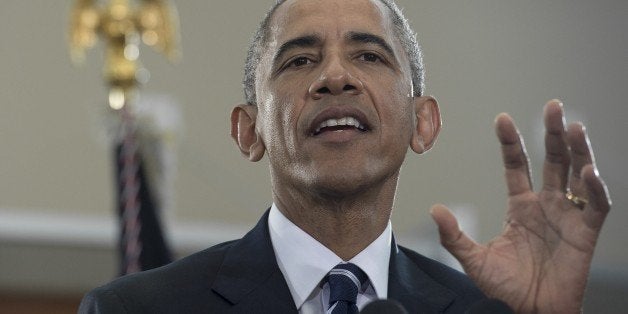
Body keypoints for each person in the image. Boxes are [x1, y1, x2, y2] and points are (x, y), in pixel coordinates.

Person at [79, 0, 611, 313]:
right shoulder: (136, 310)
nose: (334, 77)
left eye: (368, 55)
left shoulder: (487, 311)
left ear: (422, 123)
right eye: (300, 60)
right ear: (249, 131)